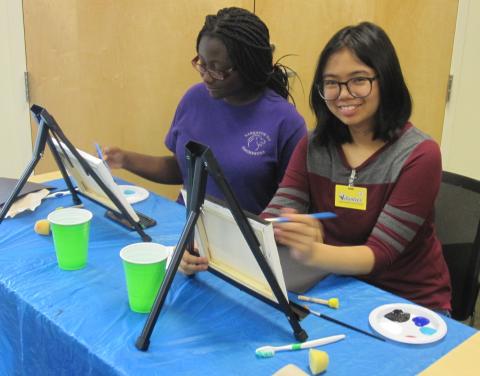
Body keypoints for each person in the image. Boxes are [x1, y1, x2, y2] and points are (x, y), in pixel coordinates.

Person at [263, 22, 451, 312]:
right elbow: (277, 214)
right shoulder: (313, 145)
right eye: (331, 82)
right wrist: (213, 248)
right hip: (336, 286)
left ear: (385, 80)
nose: (343, 93)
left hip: (407, 300)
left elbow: (380, 253)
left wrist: (314, 252)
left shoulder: (419, 155)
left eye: (358, 80)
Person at [104, 7, 306, 274]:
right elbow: (183, 169)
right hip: (184, 235)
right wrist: (126, 159)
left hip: (242, 251)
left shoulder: (285, 121)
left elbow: (293, 203)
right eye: (201, 63)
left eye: (218, 69)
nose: (207, 76)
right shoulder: (194, 99)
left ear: (249, 65)